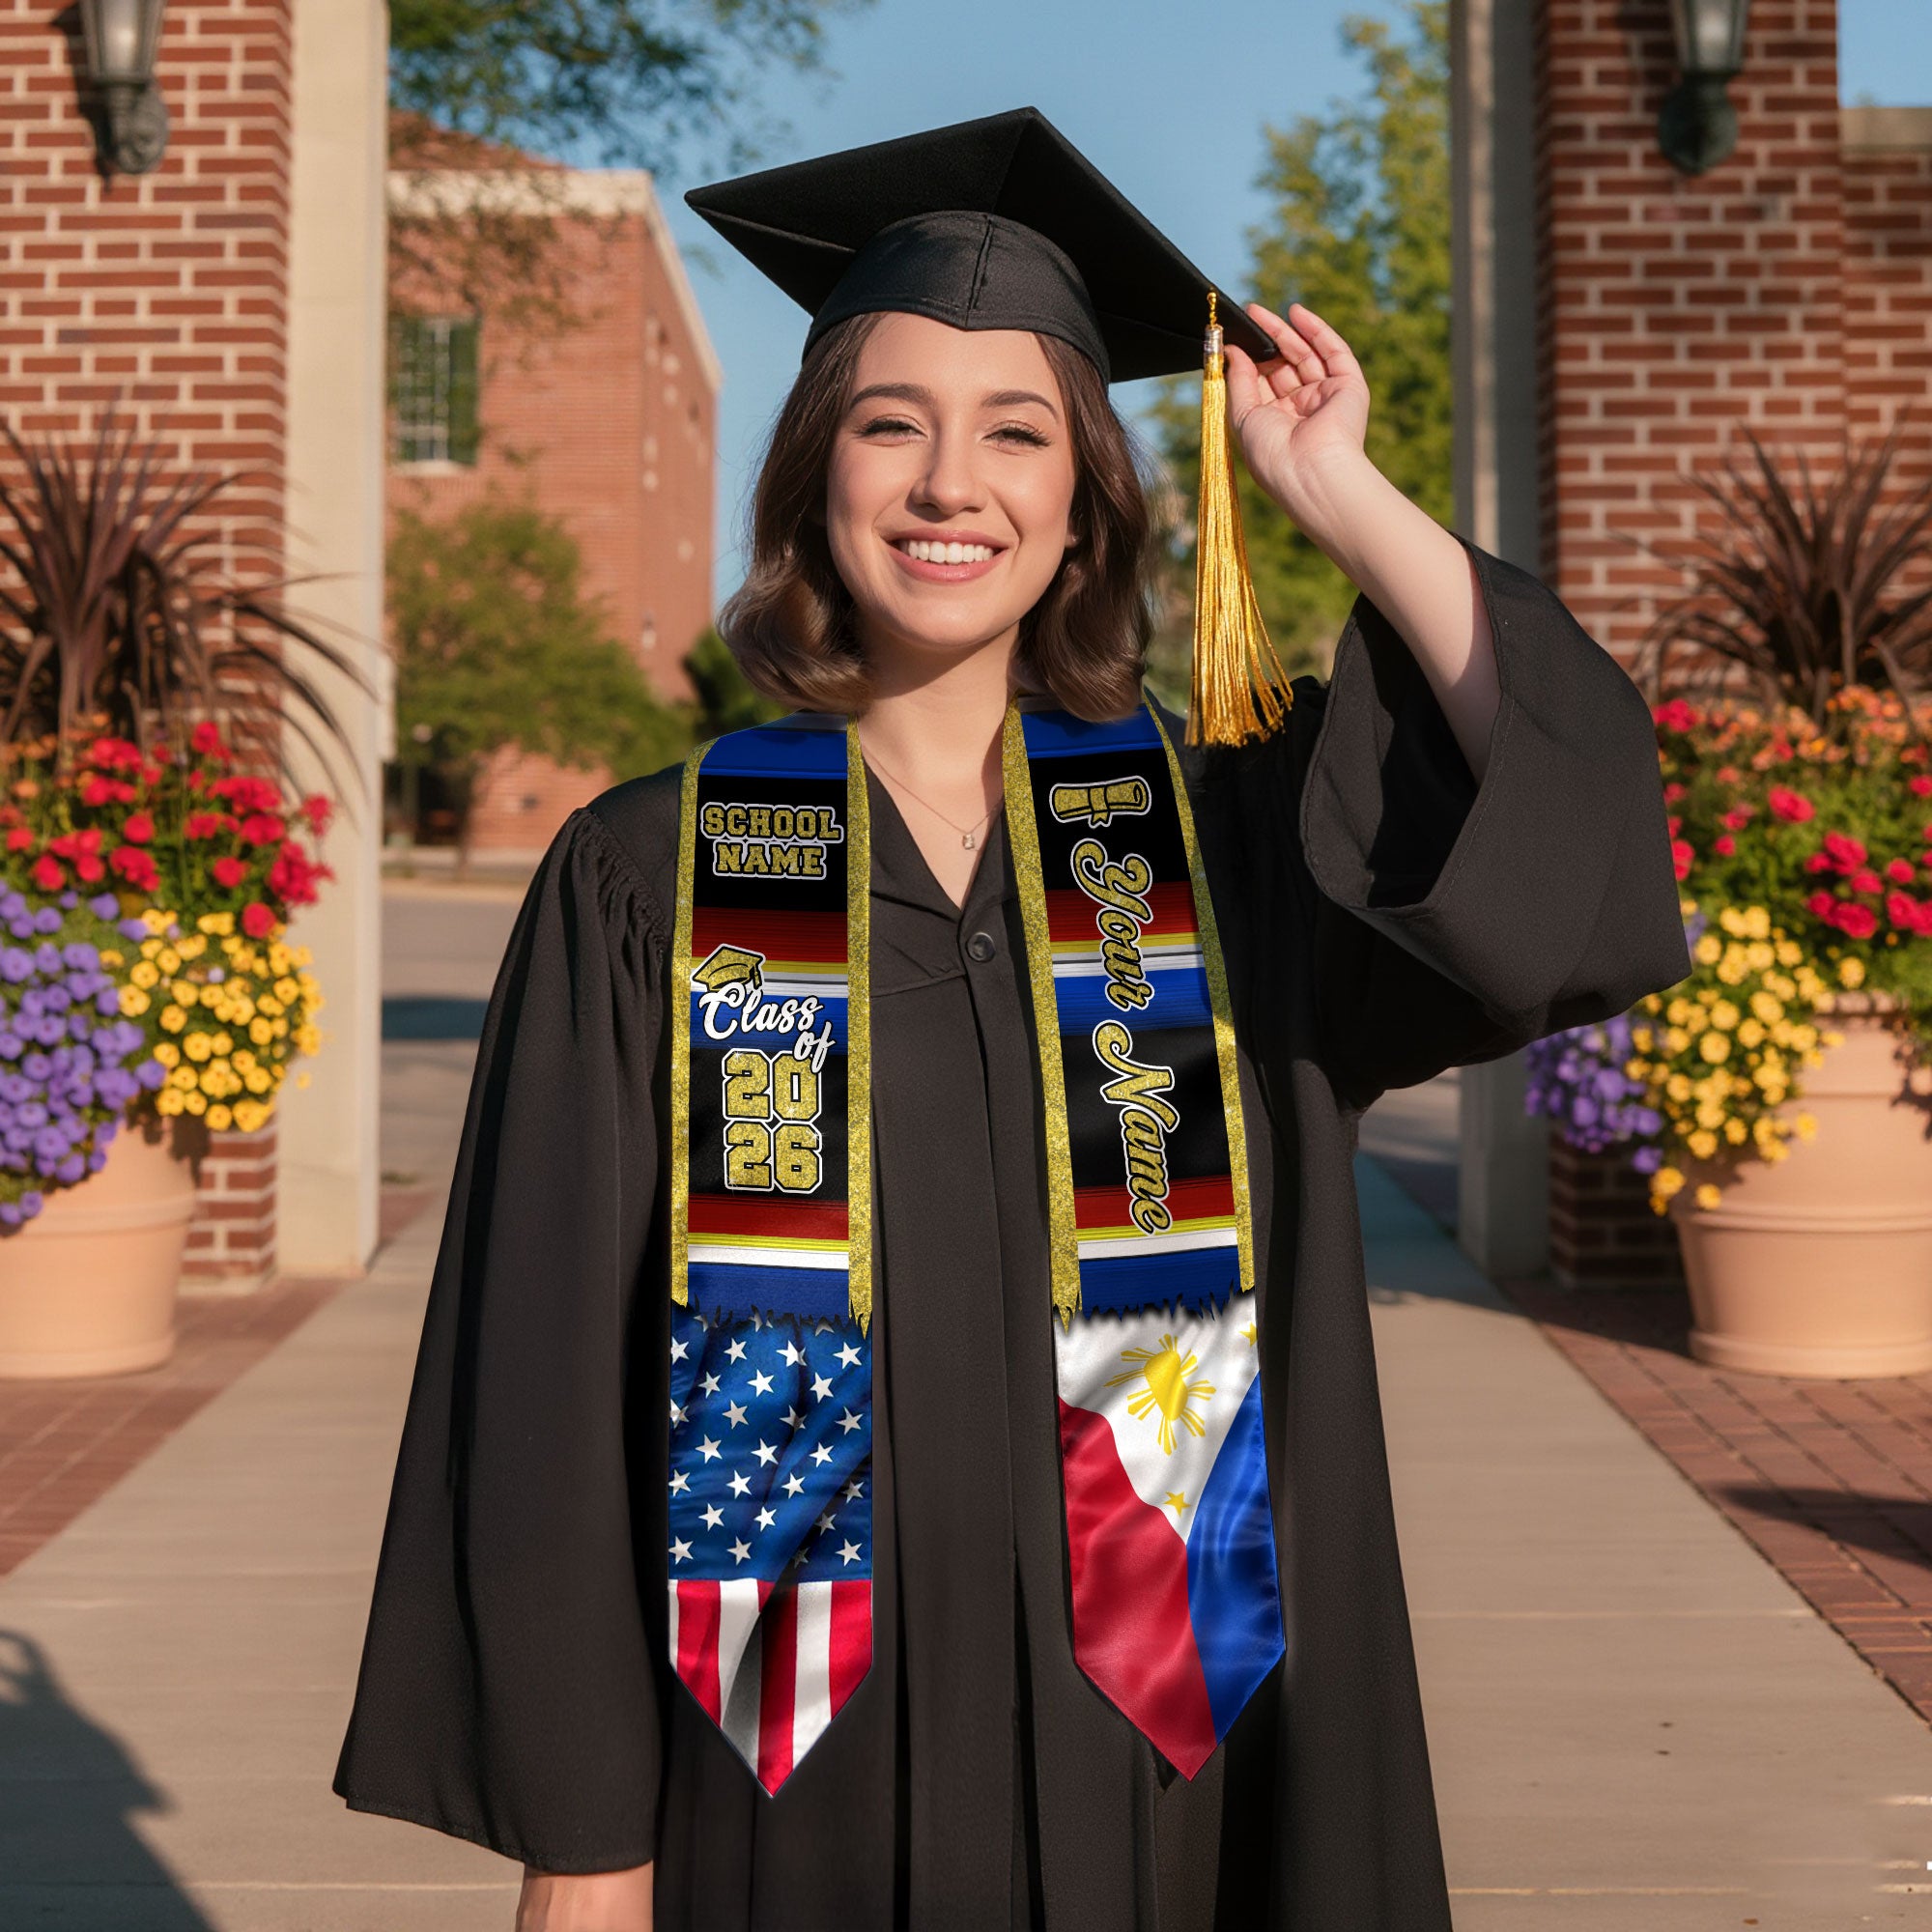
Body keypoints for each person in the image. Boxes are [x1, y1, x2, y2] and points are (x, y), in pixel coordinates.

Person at [332, 108, 1690, 1932]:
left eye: (1016, 433)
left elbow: (1559, 828)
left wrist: (1336, 492)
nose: (948, 483)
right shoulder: (652, 879)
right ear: (818, 472)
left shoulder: (1224, 850)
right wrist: (585, 1843)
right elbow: (546, 1386)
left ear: (1083, 503)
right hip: (780, 1777)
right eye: (892, 424)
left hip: (1179, 1765)